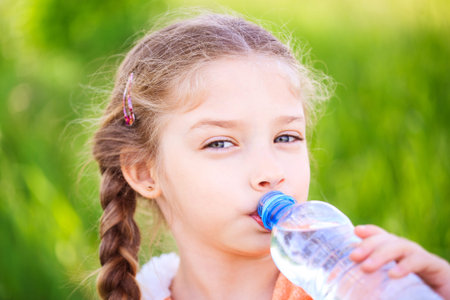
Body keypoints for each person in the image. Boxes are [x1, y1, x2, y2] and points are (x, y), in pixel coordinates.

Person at [91, 11, 450, 300]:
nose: (270, 171)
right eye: (220, 143)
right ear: (144, 172)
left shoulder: (355, 287)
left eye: (286, 136)